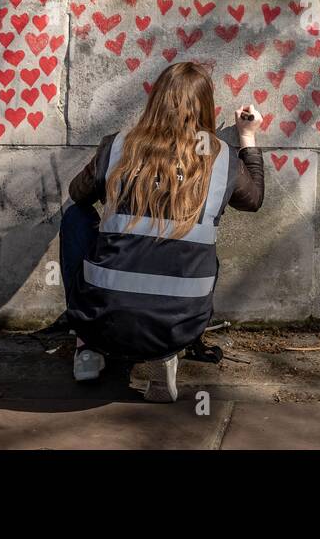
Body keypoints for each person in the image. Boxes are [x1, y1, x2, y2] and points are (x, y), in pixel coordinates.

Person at [60, 61, 264, 400]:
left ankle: (87, 345)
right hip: (180, 324)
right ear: (205, 108)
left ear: (155, 100)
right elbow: (253, 199)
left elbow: (77, 195)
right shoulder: (221, 158)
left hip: (102, 319)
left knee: (74, 217)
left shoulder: (118, 146)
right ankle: (165, 351)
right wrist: (247, 137)